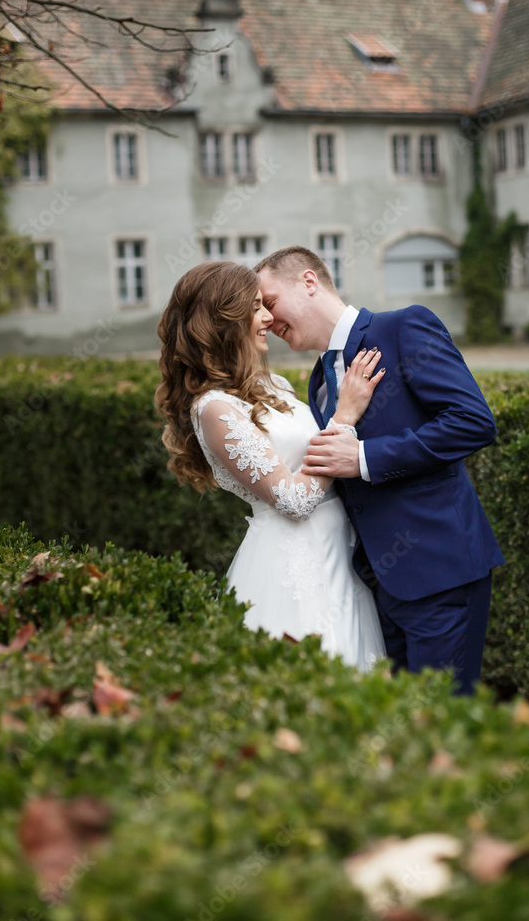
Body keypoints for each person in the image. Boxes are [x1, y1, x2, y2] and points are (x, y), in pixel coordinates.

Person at [255, 246, 505, 695]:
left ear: (308, 282)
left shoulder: (403, 327)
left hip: (439, 571)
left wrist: (365, 458)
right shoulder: (317, 382)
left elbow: (473, 421)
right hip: (376, 585)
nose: (268, 321)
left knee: (442, 722)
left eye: (269, 302)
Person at [155, 261, 387, 672]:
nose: (268, 318)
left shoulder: (274, 385)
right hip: (293, 559)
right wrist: (344, 417)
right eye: (257, 307)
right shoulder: (214, 409)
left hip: (341, 549)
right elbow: (294, 499)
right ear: (224, 319)